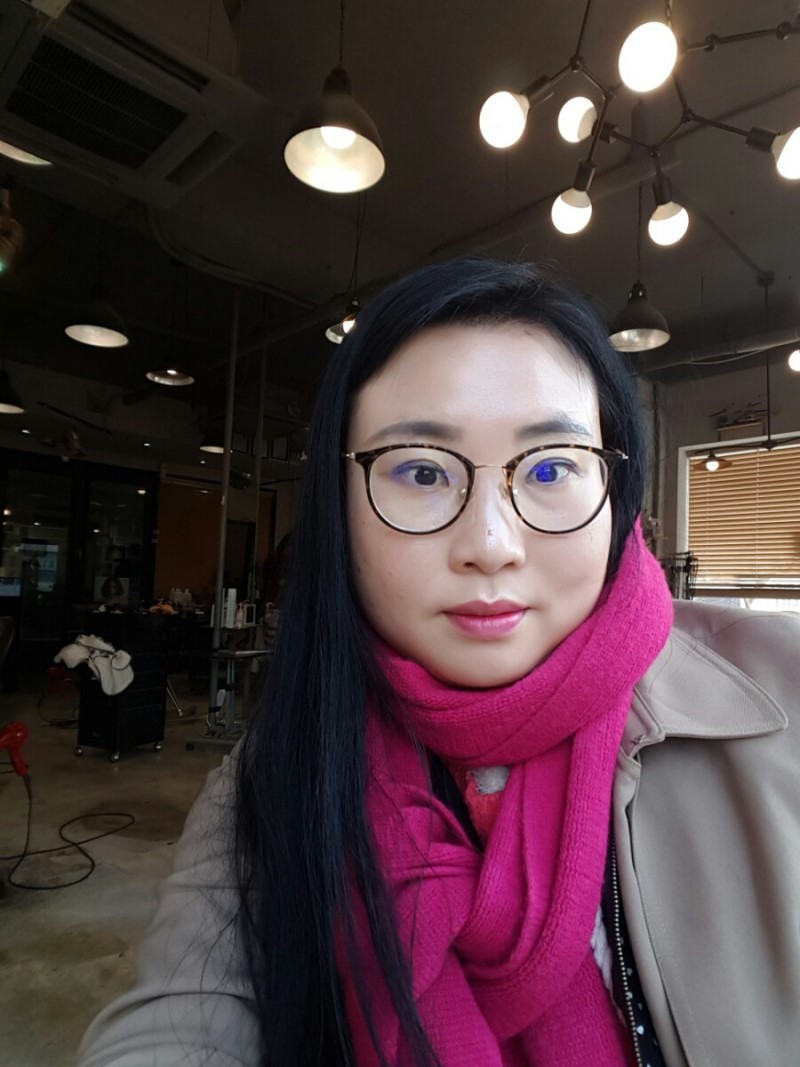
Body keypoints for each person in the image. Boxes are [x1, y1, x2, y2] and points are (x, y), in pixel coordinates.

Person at [77, 259, 800, 1067]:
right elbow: (173, 1029)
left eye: (552, 467)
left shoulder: (783, 691)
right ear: (338, 506)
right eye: (421, 470)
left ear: (616, 488)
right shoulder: (273, 780)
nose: (490, 543)